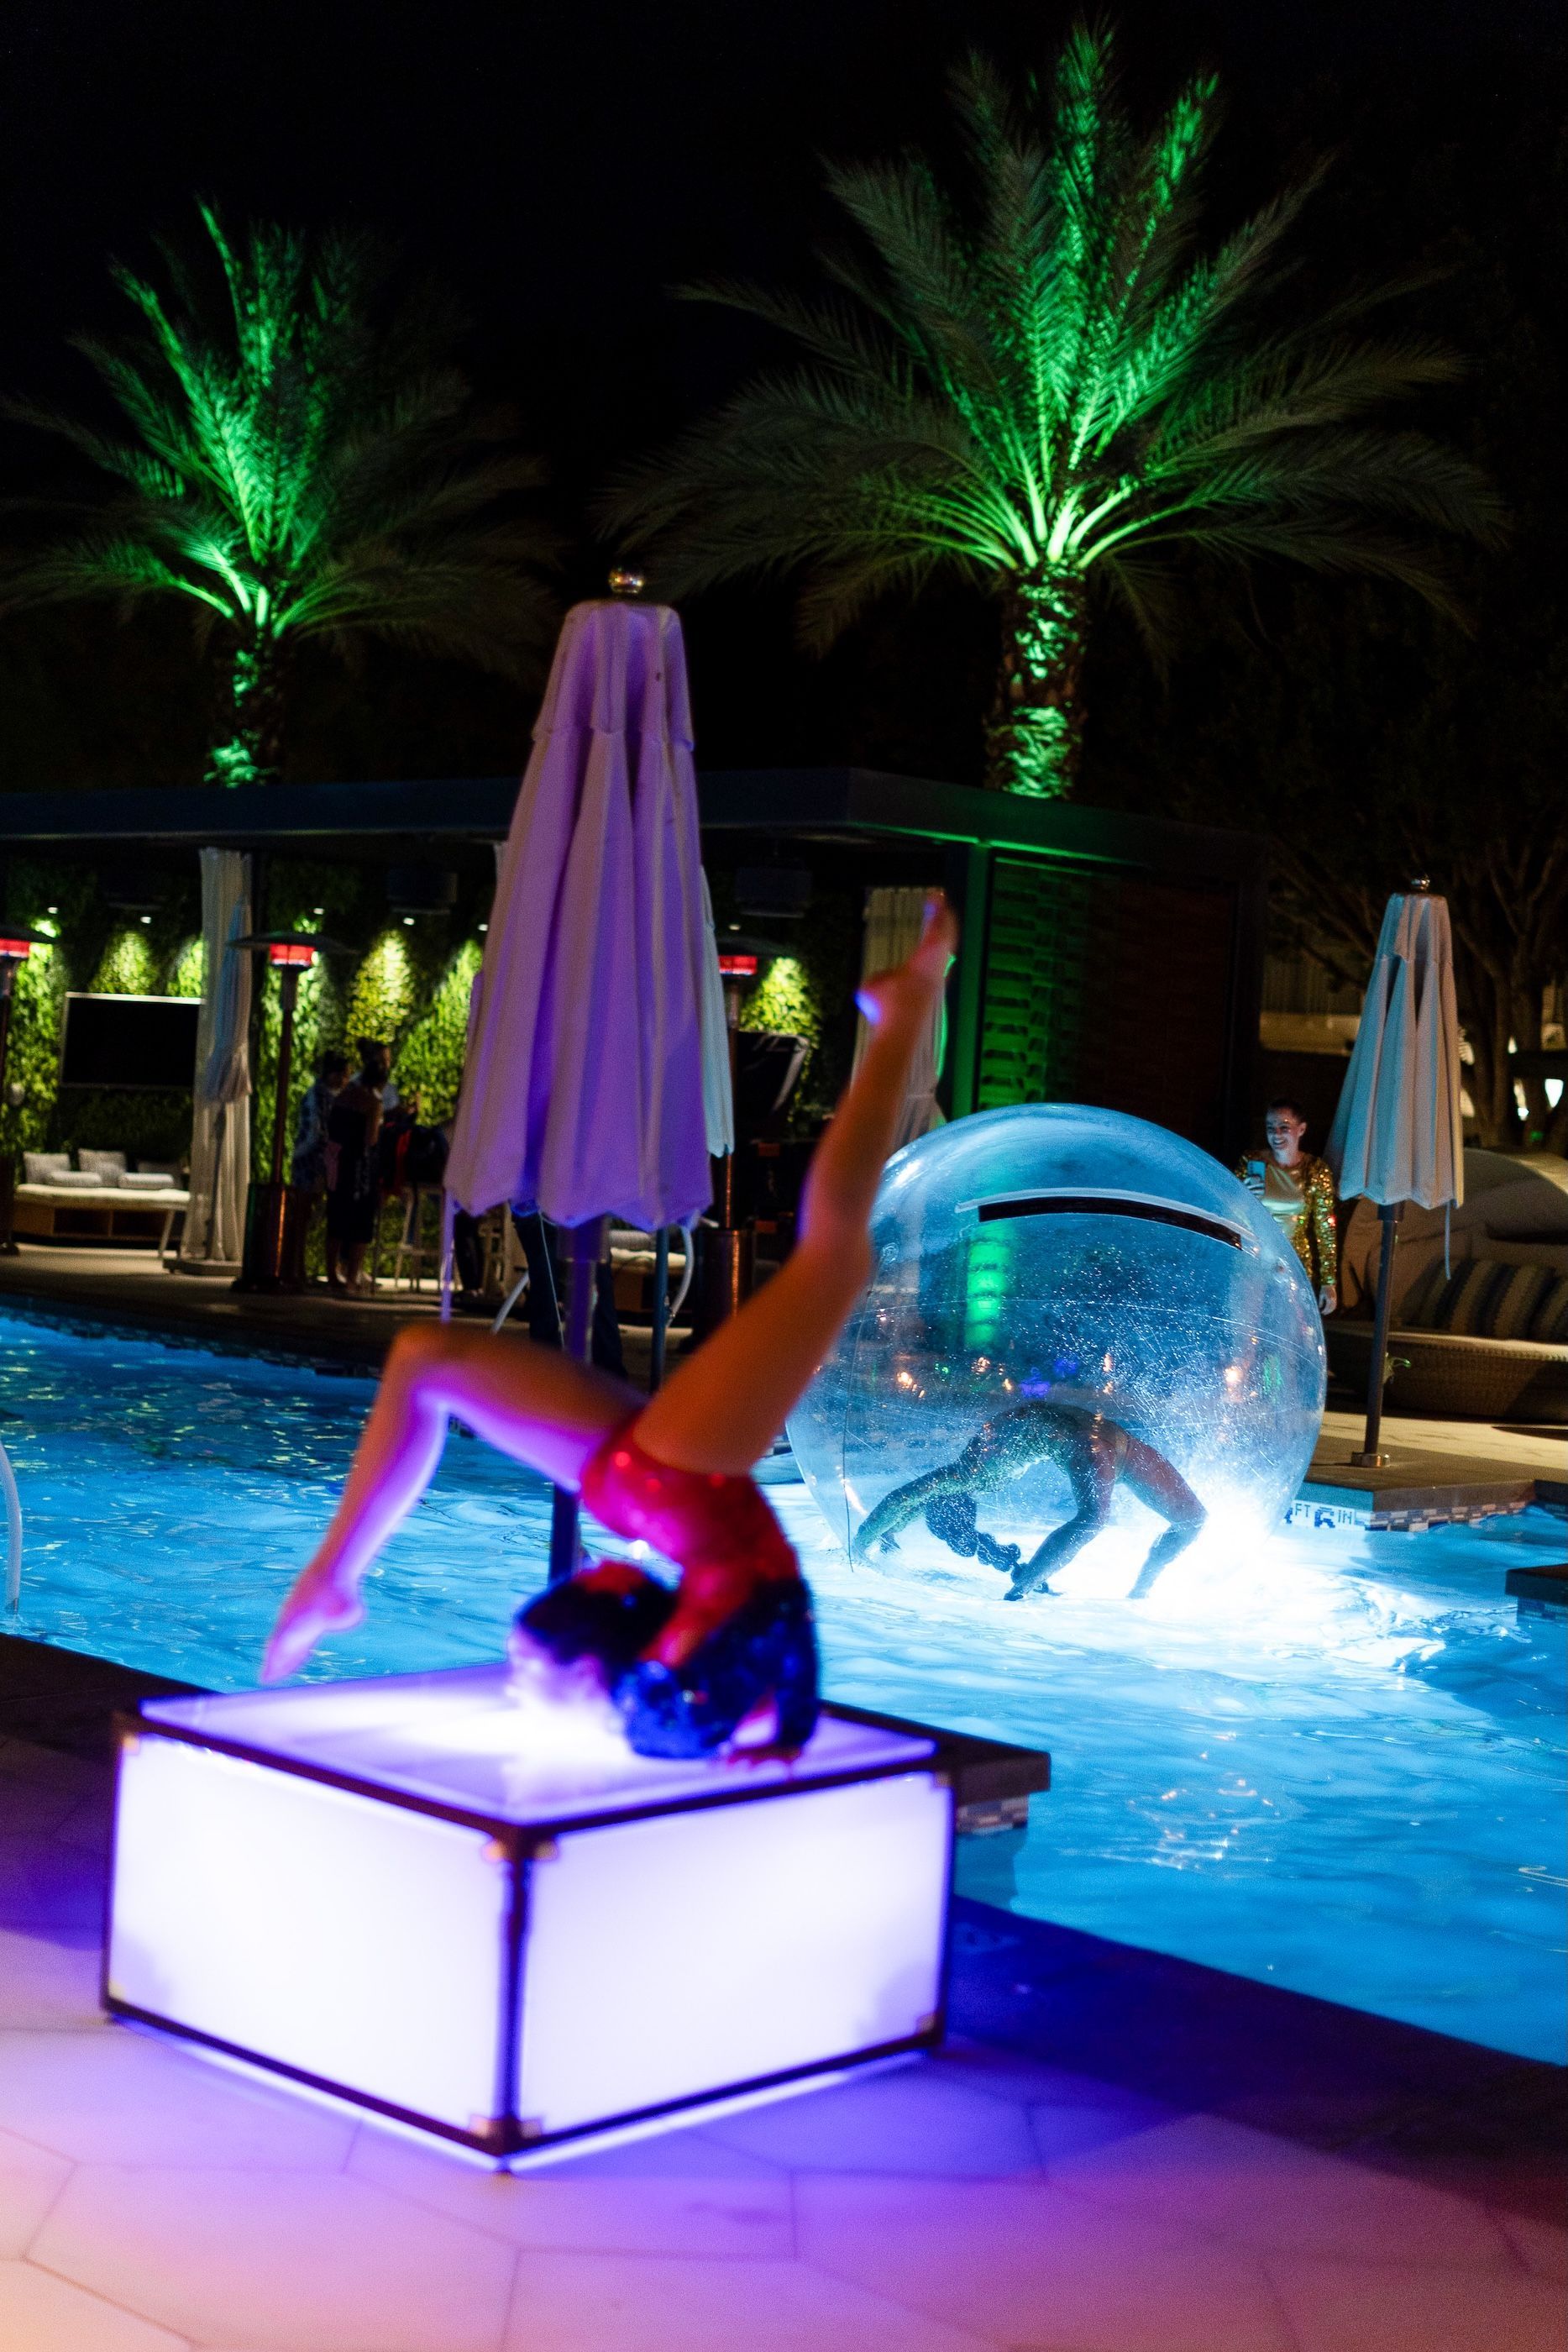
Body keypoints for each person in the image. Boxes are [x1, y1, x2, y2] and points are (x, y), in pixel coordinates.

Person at [262, 895, 960, 1761]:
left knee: (426, 1357)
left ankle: (332, 1576)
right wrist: (779, 1733)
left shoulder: (706, 1640)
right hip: (658, 1480)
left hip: (657, 1478)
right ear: (605, 1673)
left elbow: (782, 1640)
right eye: (535, 1677)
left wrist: (780, 1728)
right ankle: (904, 1014)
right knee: (834, 1257)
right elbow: (774, 1644)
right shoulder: (697, 1654)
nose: (519, 1681)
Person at [854, 1399, 1206, 1602]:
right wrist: (867, 1540)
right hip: (1106, 1442)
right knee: (1100, 1518)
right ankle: (1026, 1588)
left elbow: (908, 1497)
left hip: (1099, 1441)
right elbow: (911, 1498)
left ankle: (1136, 1593)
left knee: (1190, 1518)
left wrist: (860, 1544)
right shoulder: (980, 1468)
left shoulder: (977, 1470)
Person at [1238, 1098, 1338, 1315]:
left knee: (1291, 1323)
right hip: (1255, 1257)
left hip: (1293, 1260)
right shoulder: (1252, 1162)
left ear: (1301, 1129)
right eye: (1270, 1128)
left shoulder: (1315, 1170)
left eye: (1284, 1127)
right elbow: (1234, 1212)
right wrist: (1243, 1194)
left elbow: (1325, 1227)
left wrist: (1328, 1281)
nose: (1276, 1134)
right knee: (1247, 1322)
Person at [323, 1059, 384, 1296]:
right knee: (360, 1224)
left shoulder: (341, 1098)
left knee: (336, 1220)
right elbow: (371, 1139)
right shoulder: (372, 1103)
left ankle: (331, 1275)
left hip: (337, 1163)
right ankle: (351, 1278)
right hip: (360, 1167)